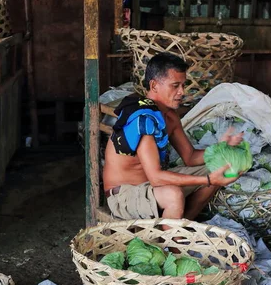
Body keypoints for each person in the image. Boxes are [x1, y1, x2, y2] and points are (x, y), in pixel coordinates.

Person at [103, 52, 243, 221]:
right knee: (173, 194)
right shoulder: (144, 119)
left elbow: (190, 157)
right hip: (124, 196)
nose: (181, 92)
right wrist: (207, 179)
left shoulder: (170, 116)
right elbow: (155, 177)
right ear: (154, 85)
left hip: (153, 188)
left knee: (219, 166)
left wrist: (221, 149)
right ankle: (171, 246)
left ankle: (182, 229)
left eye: (183, 85)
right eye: (175, 85)